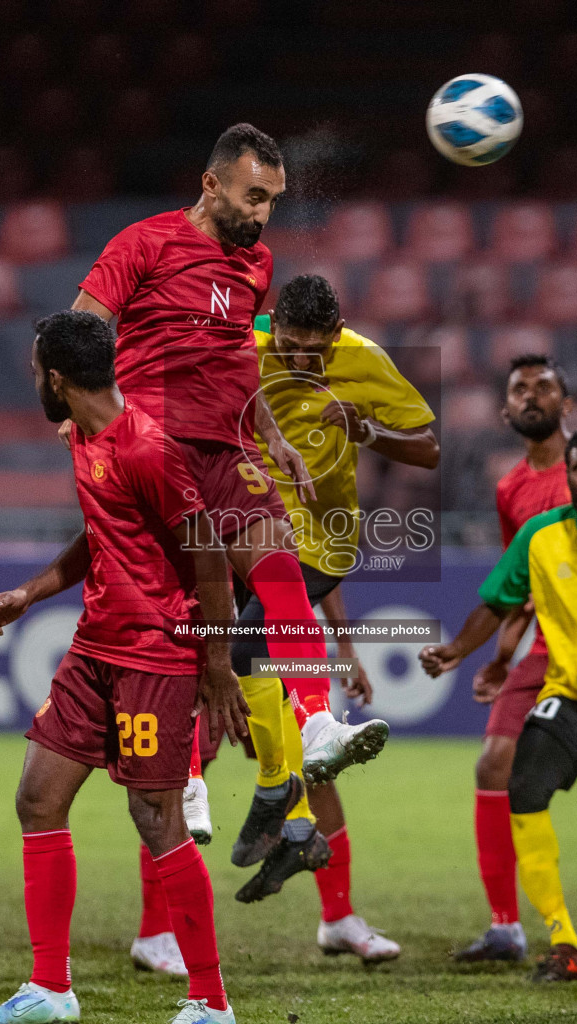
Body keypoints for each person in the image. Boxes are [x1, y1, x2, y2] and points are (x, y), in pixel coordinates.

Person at [70, 123, 387, 800]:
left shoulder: (256, 266)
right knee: (185, 613)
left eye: (272, 199)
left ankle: (317, 722)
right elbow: (83, 327)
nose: (262, 214)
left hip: (229, 450)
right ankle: (181, 769)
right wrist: (89, 418)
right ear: (211, 184)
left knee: (281, 576)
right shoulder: (143, 243)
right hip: (154, 452)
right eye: (252, 196)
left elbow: (238, 360)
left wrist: (272, 436)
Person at [0, 311, 250, 1024]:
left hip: (155, 653)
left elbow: (210, 557)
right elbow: (105, 531)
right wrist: (32, 592)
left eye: (37, 372)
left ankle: (211, 1003)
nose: (35, 382)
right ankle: (50, 990)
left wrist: (216, 662)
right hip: (95, 648)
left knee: (156, 819)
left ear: (57, 379)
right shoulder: (84, 437)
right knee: (37, 798)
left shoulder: (149, 449)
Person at [220, 275, 436, 950]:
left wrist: (367, 428)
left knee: (281, 713)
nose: (304, 362)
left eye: (317, 351)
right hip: (225, 543)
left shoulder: (365, 358)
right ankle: (165, 926)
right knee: (267, 742)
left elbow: (428, 447)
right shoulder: (240, 340)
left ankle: (330, 903)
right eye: (291, 347)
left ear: (337, 333)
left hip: (310, 545)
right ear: (274, 326)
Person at [446, 355, 577, 964]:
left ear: (567, 403)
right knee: (493, 767)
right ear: (506, 411)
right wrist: (503, 653)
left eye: (544, 386)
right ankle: (507, 927)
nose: (531, 396)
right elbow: (521, 584)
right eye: (518, 389)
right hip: (547, 646)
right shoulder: (511, 489)